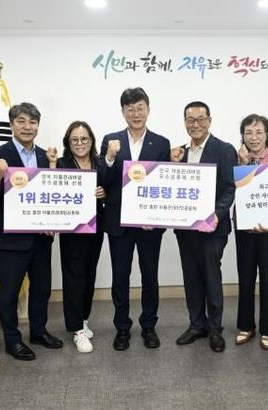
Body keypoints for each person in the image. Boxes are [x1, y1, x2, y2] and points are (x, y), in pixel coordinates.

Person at [0, 102, 62, 361]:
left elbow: (53, 196)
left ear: (38, 126)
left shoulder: (46, 157)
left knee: (42, 289)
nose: (27, 127)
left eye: (32, 122)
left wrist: (55, 222)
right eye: (21, 121)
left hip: (41, 239)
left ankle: (38, 331)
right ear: (11, 124)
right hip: (11, 240)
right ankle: (12, 340)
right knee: (9, 294)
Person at [99, 87, 171, 351]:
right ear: (123, 112)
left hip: (149, 224)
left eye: (140, 108)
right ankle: (122, 327)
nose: (136, 113)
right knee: (120, 277)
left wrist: (157, 215)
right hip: (119, 222)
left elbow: (164, 183)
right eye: (130, 109)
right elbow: (102, 180)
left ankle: (149, 326)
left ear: (148, 110)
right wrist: (109, 157)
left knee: (150, 276)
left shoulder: (161, 143)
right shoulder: (111, 141)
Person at [171, 101, 237, 353]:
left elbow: (229, 188)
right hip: (186, 229)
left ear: (209, 121)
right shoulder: (180, 153)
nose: (195, 124)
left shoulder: (224, 149)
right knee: (191, 277)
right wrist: (174, 165)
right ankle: (197, 324)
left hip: (213, 229)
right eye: (190, 120)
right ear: (184, 122)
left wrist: (217, 215)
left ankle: (215, 328)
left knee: (211, 277)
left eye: (200, 119)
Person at [48, 121, 105, 353]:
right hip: (72, 231)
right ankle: (76, 329)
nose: (80, 143)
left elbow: (111, 189)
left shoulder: (100, 163)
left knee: (90, 274)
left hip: (96, 227)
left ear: (91, 141)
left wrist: (103, 193)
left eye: (84, 139)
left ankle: (83, 319)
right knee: (74, 278)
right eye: (75, 140)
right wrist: (52, 165)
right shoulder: (62, 164)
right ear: (68, 143)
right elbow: (50, 188)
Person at [233, 114, 268, 349]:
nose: (253, 137)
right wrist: (242, 164)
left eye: (258, 132)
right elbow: (231, 190)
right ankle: (246, 326)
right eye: (248, 133)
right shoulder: (236, 159)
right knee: (245, 278)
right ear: (242, 136)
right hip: (245, 228)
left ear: (267, 135)